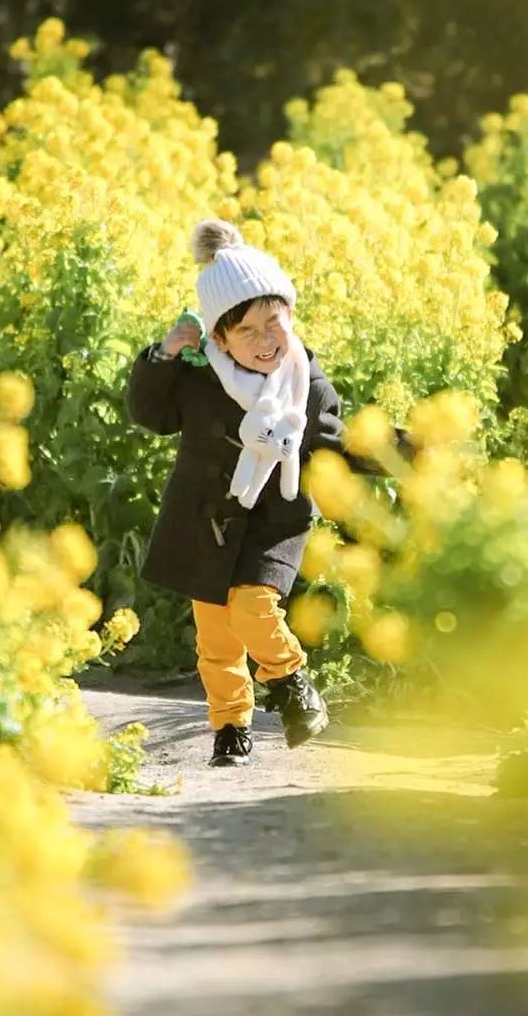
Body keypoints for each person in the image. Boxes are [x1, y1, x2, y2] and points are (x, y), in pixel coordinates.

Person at [126, 217, 360, 768]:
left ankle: (293, 682)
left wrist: (410, 451)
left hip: (274, 518)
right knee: (216, 640)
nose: (265, 342)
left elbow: (332, 440)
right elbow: (151, 414)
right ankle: (230, 728)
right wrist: (161, 358)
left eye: (273, 324)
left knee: (255, 610)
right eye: (247, 332)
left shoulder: (305, 376)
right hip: (207, 519)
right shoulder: (199, 375)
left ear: (290, 316)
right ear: (219, 337)